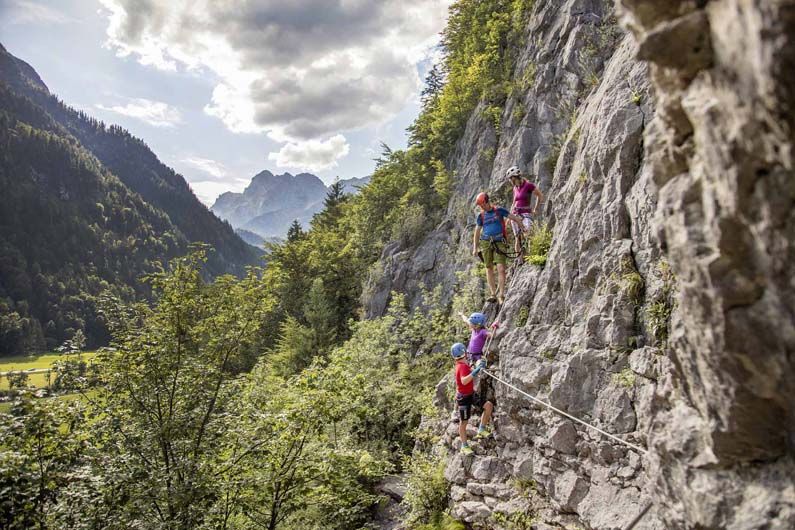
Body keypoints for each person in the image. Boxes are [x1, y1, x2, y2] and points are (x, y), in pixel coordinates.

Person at [473, 191, 527, 304]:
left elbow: (514, 218)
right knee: (489, 268)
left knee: (501, 269)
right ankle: (493, 294)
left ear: (487, 201)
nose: (481, 207)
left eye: (482, 204)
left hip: (499, 242)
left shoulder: (499, 211)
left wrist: (522, 227)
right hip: (486, 243)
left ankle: (501, 294)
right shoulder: (481, 216)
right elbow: (477, 232)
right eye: (480, 205)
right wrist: (475, 247)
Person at [451, 343, 493, 456]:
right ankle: (464, 446)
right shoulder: (461, 366)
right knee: (464, 422)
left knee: (488, 405)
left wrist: (478, 367)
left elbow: (465, 376)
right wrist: (476, 370)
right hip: (464, 398)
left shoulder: (461, 364)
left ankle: (481, 429)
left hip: (470, 394)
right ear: (464, 352)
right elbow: (464, 380)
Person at [506, 166, 544, 261]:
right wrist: (509, 217)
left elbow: (540, 195)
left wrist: (535, 209)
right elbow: (514, 203)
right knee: (517, 238)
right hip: (515, 215)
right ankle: (520, 260)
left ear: (514, 177)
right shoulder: (515, 188)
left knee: (528, 233)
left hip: (526, 213)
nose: (510, 181)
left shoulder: (528, 185)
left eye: (510, 179)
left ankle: (532, 255)